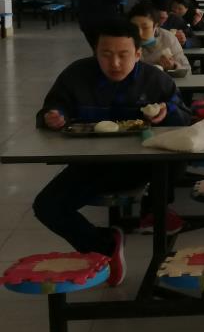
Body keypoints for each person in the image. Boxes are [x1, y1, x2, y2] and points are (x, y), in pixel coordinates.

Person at [33, 19, 192, 287]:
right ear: (95, 52)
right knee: (47, 206)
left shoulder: (154, 80)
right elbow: (53, 108)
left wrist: (168, 114)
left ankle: (154, 210)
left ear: (138, 54)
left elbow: (185, 118)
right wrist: (54, 117)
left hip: (143, 165)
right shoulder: (76, 75)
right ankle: (104, 244)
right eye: (106, 55)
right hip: (92, 165)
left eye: (123, 55)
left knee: (177, 161)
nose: (114, 63)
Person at [128, 1, 191, 74]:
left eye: (145, 28)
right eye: (134, 28)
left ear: (155, 26)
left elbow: (187, 70)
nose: (139, 33)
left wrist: (173, 66)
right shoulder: (123, 40)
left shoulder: (167, 38)